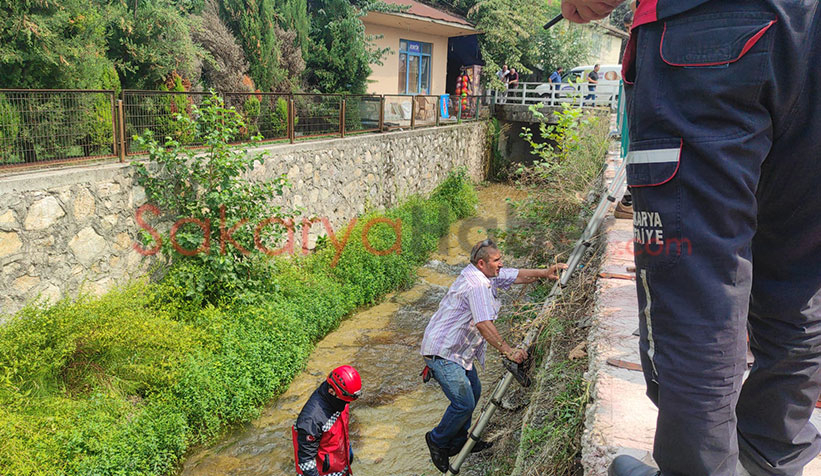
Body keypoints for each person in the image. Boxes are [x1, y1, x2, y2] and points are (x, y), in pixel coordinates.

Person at [561, 1, 821, 476]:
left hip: (713, 34)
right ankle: (766, 459)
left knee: (692, 290)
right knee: (801, 275)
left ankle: (698, 468)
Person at [420, 239, 566, 472]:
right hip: (443, 352)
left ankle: (458, 442)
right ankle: (437, 440)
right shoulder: (477, 285)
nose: (501, 264)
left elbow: (515, 275)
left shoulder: (486, 274)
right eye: (497, 260)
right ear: (481, 263)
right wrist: (508, 351)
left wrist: (545, 272)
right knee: (463, 403)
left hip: (459, 352)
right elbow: (483, 325)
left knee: (474, 393)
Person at [292, 365, 361, 476]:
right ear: (331, 391)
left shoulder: (340, 397)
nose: (346, 404)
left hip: (340, 460)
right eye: (345, 400)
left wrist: (349, 454)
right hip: (325, 471)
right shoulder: (311, 419)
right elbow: (306, 460)